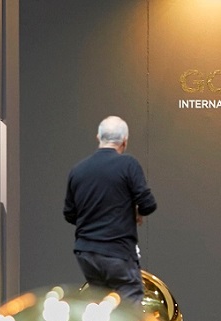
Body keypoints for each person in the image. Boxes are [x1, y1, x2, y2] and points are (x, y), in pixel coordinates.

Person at [64, 116, 157, 304]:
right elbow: (148, 204)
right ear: (124, 141)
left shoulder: (78, 170)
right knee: (130, 304)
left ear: (98, 137)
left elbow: (70, 214)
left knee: (100, 304)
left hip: (86, 253)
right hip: (118, 251)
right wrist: (135, 212)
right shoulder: (128, 164)